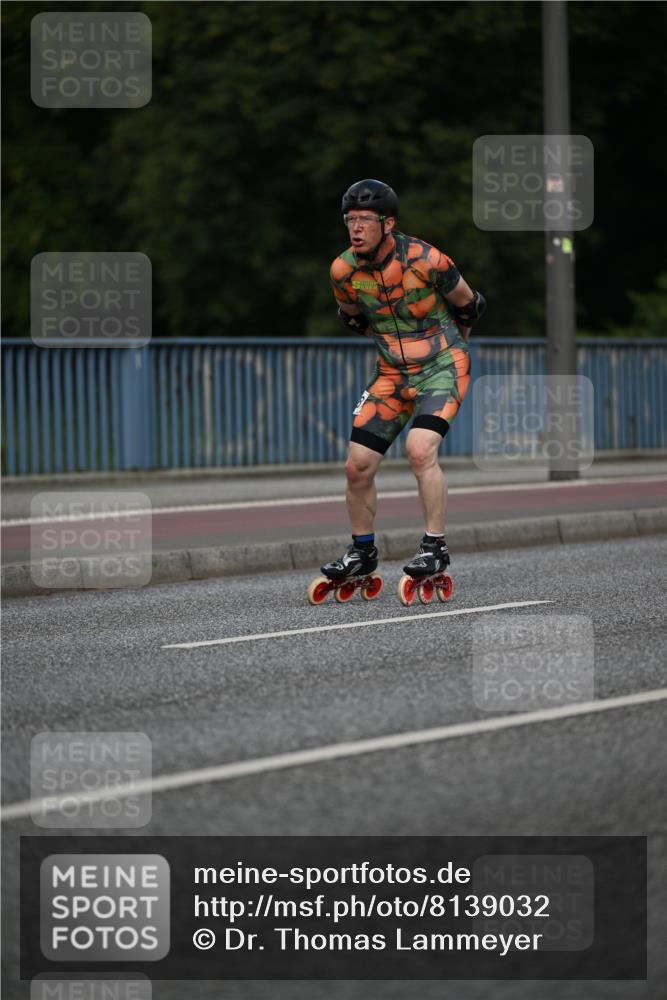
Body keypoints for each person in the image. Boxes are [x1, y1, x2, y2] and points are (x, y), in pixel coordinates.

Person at [321, 178, 485, 585]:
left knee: (419, 449)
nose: (356, 227)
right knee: (357, 466)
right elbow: (352, 318)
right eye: (350, 219)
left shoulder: (427, 260)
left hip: (442, 365)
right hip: (391, 373)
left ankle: (434, 547)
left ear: (388, 223)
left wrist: (454, 350)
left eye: (365, 219)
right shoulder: (344, 270)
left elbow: (470, 304)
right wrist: (395, 349)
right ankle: (362, 552)